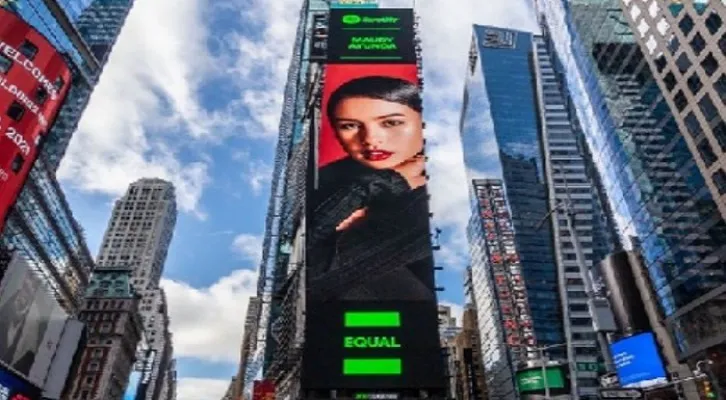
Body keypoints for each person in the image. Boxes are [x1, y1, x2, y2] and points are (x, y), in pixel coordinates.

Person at [307, 75, 436, 302]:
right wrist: (389, 180)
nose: (370, 139)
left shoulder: (434, 196)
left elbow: (312, 270)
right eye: (350, 126)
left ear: (424, 123)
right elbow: (297, 261)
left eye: (391, 122)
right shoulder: (329, 177)